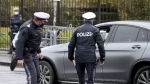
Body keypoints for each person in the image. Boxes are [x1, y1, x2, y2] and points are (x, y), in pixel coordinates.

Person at [68, 12, 105, 84]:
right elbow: (100, 44)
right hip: (90, 57)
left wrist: (71, 57)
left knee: (80, 79)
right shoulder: (95, 30)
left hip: (79, 57)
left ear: (84, 19)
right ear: (93, 19)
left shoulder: (77, 30)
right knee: (90, 78)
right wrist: (102, 57)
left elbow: (71, 45)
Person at [15, 12, 50, 84]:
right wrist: (19, 58)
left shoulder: (37, 26)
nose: (43, 23)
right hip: (26, 55)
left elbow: (35, 41)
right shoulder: (26, 28)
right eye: (42, 21)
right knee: (32, 76)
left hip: (34, 54)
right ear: (38, 20)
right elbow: (20, 43)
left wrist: (39, 51)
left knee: (37, 75)